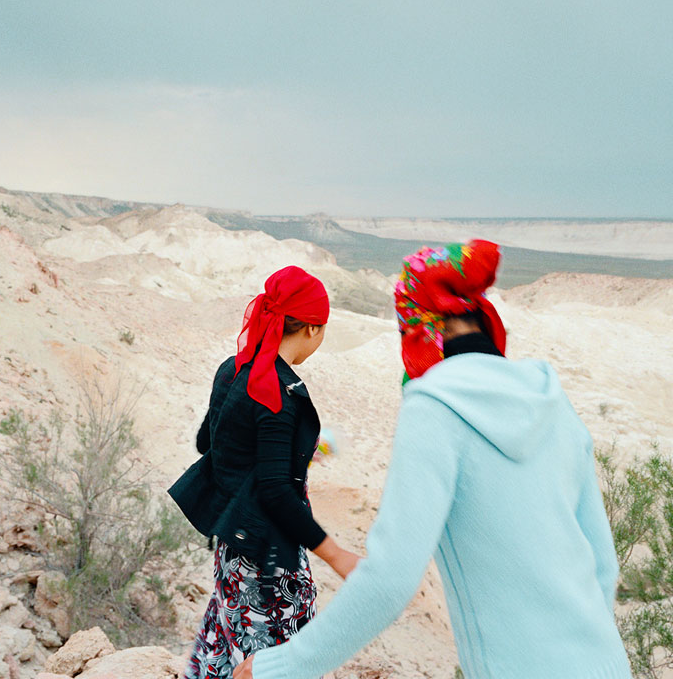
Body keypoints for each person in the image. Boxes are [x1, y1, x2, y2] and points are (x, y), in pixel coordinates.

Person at [235, 240, 633, 679]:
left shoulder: (434, 408)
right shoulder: (554, 402)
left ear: (416, 327)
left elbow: (390, 578)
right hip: (605, 662)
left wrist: (281, 667)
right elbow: (603, 563)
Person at [170, 265, 360, 679]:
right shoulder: (282, 394)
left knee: (230, 640)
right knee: (280, 662)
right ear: (311, 329)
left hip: (231, 549)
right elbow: (276, 494)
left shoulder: (233, 367)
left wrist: (294, 452)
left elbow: (210, 443)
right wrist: (338, 556)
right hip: (268, 558)